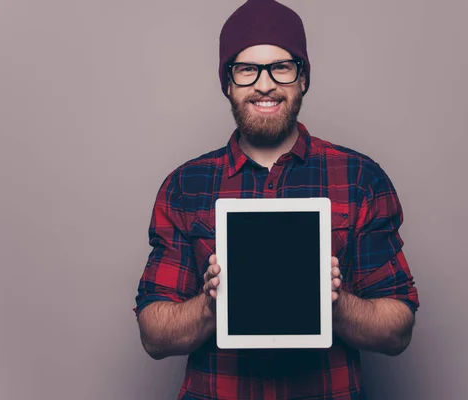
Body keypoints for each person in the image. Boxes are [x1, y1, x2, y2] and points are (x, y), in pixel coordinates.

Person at [134, 0, 419, 398]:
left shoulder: (358, 178)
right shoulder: (186, 186)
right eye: (247, 68)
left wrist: (334, 301)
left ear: (302, 79)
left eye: (281, 67)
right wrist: (210, 304)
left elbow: (399, 329)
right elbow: (153, 334)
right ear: (227, 83)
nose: (264, 84)